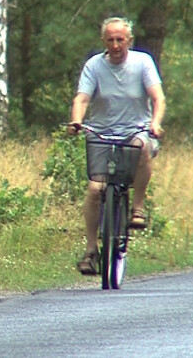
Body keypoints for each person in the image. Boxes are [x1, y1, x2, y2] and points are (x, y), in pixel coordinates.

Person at [66, 17, 166, 275]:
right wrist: (76, 120)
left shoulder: (142, 63)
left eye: (120, 39)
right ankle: (90, 250)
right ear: (104, 42)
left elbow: (158, 98)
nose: (116, 44)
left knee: (141, 148)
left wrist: (155, 123)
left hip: (137, 130)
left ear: (129, 41)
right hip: (102, 132)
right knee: (94, 190)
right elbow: (82, 98)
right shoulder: (94, 66)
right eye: (110, 40)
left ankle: (138, 208)